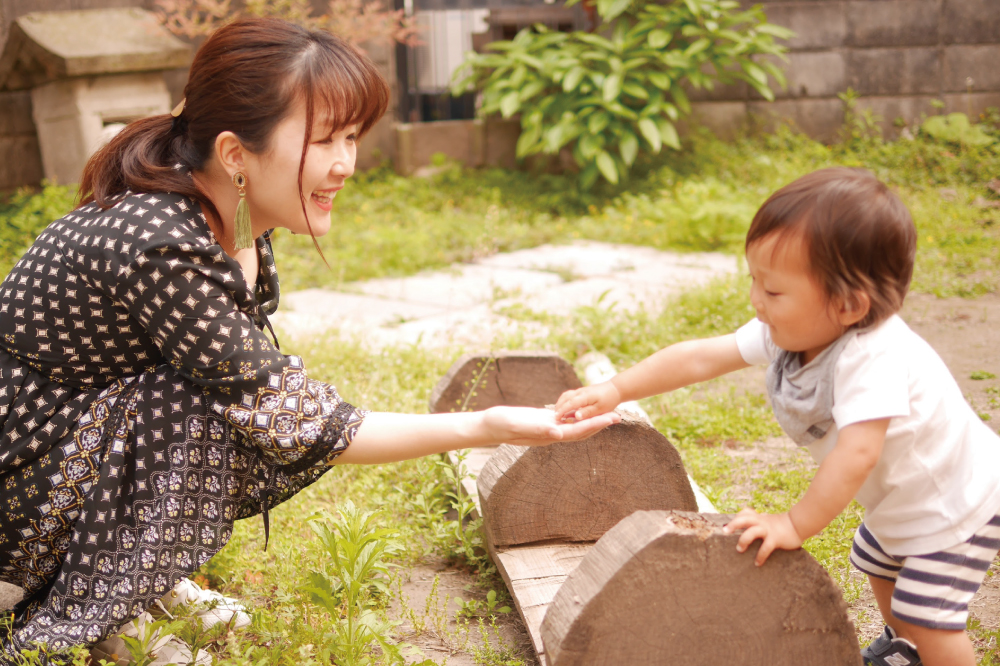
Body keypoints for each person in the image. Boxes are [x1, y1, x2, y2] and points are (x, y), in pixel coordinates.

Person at [0, 18, 620, 665]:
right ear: (236, 153)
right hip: (19, 477)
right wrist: (488, 423)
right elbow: (305, 423)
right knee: (200, 409)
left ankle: (129, 582)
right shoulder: (162, 242)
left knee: (226, 399)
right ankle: (89, 610)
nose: (345, 163)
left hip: (58, 450)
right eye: (325, 138)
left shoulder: (222, 207)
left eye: (351, 136)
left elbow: (269, 396)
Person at [555, 167, 1000, 666]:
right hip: (905, 503)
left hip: (954, 506)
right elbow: (701, 357)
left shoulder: (874, 358)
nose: (755, 302)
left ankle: (925, 647)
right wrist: (617, 388)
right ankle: (906, 651)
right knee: (878, 563)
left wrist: (794, 522)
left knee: (929, 615)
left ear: (849, 305)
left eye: (773, 292)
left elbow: (857, 454)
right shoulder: (800, 331)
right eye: (755, 282)